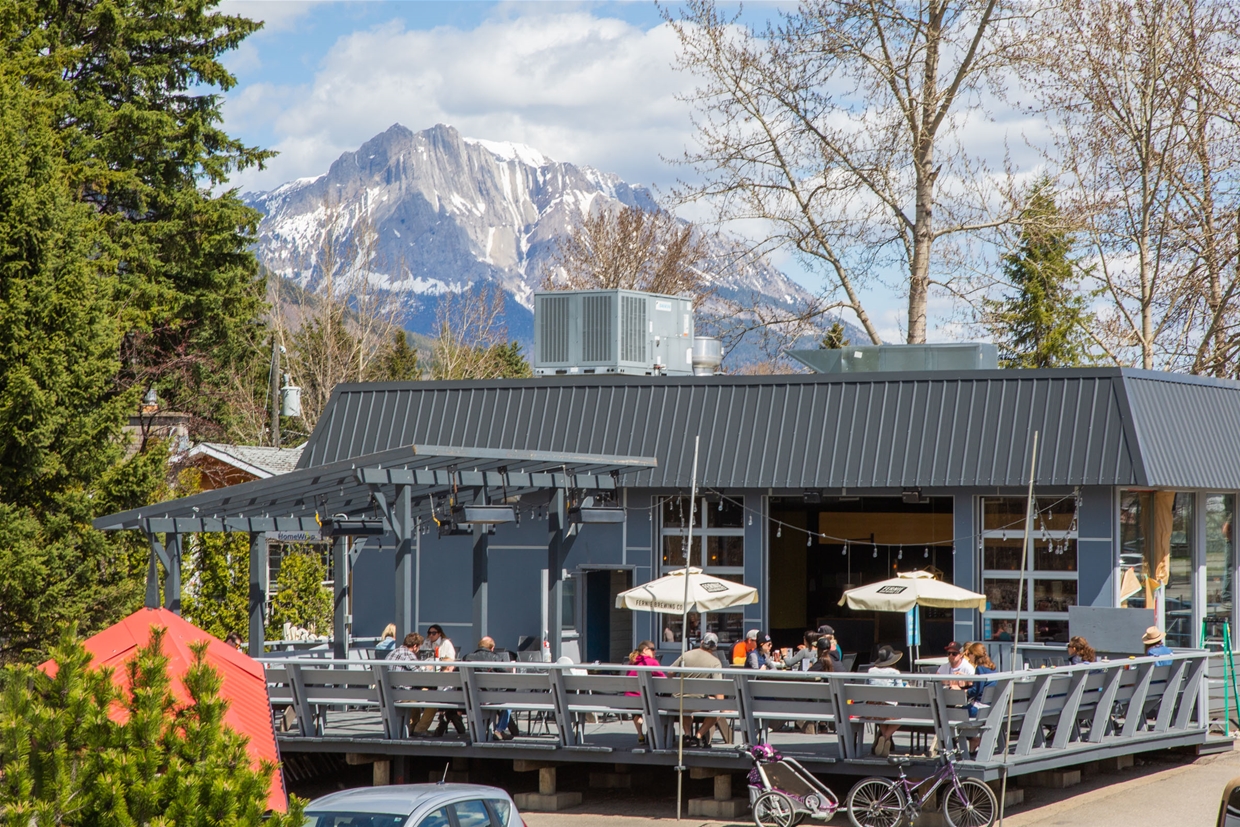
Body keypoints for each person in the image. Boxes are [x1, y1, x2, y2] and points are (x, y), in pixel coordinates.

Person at [670, 631, 725, 748]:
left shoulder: (686, 655)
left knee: (685, 703)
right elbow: (718, 688)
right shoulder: (715, 662)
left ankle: (687, 734)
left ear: (701, 643)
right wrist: (722, 706)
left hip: (678, 701)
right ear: (715, 647)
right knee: (716, 712)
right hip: (698, 703)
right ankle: (698, 736)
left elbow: (670, 673)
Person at [412, 624, 466, 738]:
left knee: (423, 696)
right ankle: (417, 726)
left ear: (439, 633)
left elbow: (450, 661)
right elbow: (421, 658)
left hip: (442, 677)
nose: (431, 635)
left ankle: (439, 718)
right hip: (428, 676)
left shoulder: (446, 643)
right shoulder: (426, 643)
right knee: (417, 695)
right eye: (429, 633)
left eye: (433, 633)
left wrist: (438, 664)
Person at [464, 636, 516, 740]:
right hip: (491, 698)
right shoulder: (495, 658)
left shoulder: (467, 657)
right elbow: (507, 677)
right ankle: (499, 730)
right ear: (492, 648)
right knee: (510, 697)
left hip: (470, 698)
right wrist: (512, 669)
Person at [865, 644, 906, 757]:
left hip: (872, 710)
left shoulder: (871, 671)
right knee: (902, 717)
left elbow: (866, 688)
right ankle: (885, 737)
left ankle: (885, 739)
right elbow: (900, 692)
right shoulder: (894, 672)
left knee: (881, 714)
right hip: (887, 709)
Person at [626, 640, 664, 744]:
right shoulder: (651, 662)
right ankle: (655, 735)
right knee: (657, 702)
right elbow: (663, 680)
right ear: (645, 650)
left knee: (637, 706)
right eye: (653, 650)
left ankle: (640, 734)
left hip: (629, 699)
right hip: (646, 700)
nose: (655, 652)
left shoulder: (632, 661)